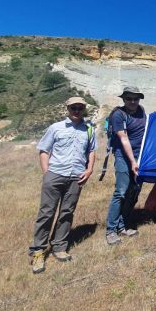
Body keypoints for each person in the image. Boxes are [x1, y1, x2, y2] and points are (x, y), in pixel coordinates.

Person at [29, 97, 96, 274]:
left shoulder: (89, 129)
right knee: (46, 213)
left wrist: (89, 170)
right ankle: (38, 251)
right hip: (55, 175)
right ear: (68, 108)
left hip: (76, 177)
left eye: (80, 108)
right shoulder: (56, 128)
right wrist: (47, 173)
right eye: (73, 107)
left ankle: (59, 246)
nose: (76, 110)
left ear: (84, 109)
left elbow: (91, 151)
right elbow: (44, 150)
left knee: (67, 212)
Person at [105, 86, 146, 245]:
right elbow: (123, 139)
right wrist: (132, 162)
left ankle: (123, 224)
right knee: (121, 191)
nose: (133, 101)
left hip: (140, 156)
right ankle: (111, 230)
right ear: (123, 99)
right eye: (129, 98)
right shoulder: (118, 114)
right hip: (124, 156)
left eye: (136, 98)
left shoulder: (141, 111)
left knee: (134, 191)